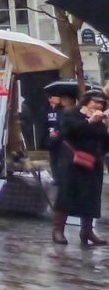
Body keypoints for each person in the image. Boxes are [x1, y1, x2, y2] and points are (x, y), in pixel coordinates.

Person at [55, 90, 108, 246]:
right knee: (67, 195)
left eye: (101, 103)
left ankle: (87, 231)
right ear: (86, 101)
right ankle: (58, 229)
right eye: (95, 101)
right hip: (72, 161)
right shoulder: (72, 114)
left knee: (90, 197)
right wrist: (89, 121)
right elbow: (67, 132)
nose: (98, 105)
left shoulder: (102, 120)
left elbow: (104, 143)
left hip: (93, 162)